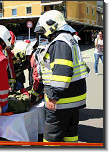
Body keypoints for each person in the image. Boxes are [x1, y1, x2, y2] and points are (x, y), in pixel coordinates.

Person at [35, 10, 89, 143]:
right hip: (73, 98)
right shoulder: (70, 38)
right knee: (70, 133)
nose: (44, 35)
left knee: (52, 137)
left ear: (51, 25)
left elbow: (61, 74)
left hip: (61, 101)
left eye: (44, 30)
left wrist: (52, 98)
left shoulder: (59, 42)